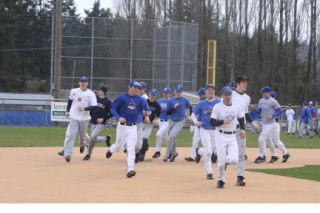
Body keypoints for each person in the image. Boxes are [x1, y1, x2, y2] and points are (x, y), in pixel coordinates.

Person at [105, 81, 149, 178]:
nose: (137, 89)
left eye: (138, 88)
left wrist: (146, 114)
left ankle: (130, 169)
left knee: (131, 148)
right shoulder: (122, 97)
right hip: (122, 126)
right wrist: (118, 117)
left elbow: (146, 109)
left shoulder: (141, 99)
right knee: (119, 147)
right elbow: (113, 109)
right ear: (129, 87)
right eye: (135, 87)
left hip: (133, 126)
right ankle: (111, 149)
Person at [210, 86, 245, 189]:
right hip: (220, 135)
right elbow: (212, 121)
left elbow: (241, 118)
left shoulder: (236, 106)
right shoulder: (217, 107)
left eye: (229, 94)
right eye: (226, 95)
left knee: (234, 159)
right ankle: (221, 180)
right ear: (222, 96)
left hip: (232, 135)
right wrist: (223, 121)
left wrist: (242, 129)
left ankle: (217, 155)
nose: (228, 96)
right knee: (221, 163)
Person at [61, 76, 97, 162]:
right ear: (79, 83)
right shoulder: (74, 91)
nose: (83, 83)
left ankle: (87, 144)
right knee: (70, 134)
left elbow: (94, 107)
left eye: (85, 81)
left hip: (84, 118)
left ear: (87, 83)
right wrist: (67, 111)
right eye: (82, 81)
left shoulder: (91, 93)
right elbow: (69, 101)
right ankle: (67, 154)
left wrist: (84, 109)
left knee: (83, 136)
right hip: (74, 116)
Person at [232, 75, 259, 186]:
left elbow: (246, 113)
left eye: (246, 82)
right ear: (237, 83)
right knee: (225, 154)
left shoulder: (247, 98)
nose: (245, 84)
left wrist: (252, 123)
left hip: (240, 129)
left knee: (242, 154)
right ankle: (221, 178)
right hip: (228, 128)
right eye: (243, 82)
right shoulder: (230, 95)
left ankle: (240, 178)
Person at [254, 86, 290, 164]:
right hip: (264, 123)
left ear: (267, 93)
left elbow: (280, 110)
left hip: (271, 123)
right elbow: (259, 111)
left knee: (261, 139)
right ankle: (281, 154)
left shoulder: (273, 101)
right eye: (262, 93)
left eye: (263, 92)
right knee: (270, 140)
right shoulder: (261, 100)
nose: (262, 94)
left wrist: (273, 115)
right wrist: (255, 109)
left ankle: (261, 156)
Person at [191, 84, 220, 180]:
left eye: (212, 90)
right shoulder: (201, 103)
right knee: (208, 152)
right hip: (204, 129)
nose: (210, 91)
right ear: (205, 92)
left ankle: (199, 151)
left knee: (211, 151)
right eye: (208, 90)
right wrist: (196, 122)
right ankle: (209, 172)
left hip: (215, 130)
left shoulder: (219, 102)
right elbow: (193, 114)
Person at [82, 86, 112, 161]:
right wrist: (89, 115)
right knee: (93, 138)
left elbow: (111, 113)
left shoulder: (107, 101)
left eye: (100, 90)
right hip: (93, 121)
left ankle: (88, 154)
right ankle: (106, 138)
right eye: (99, 90)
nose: (99, 91)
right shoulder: (95, 98)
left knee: (92, 137)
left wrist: (103, 119)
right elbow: (92, 108)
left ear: (104, 92)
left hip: (101, 123)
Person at [164, 85, 193, 162]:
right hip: (171, 120)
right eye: (177, 91)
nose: (178, 93)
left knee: (171, 136)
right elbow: (167, 112)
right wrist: (174, 107)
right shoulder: (171, 100)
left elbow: (191, 107)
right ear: (174, 91)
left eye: (180, 92)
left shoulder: (185, 100)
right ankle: (174, 153)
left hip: (180, 121)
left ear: (182, 92)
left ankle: (167, 154)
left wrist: (190, 116)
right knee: (172, 137)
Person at [137, 89, 161, 162]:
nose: (152, 96)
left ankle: (142, 153)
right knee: (138, 138)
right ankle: (138, 151)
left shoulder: (157, 105)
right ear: (149, 94)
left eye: (154, 95)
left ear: (156, 96)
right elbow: (140, 110)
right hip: (141, 123)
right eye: (151, 94)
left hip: (149, 125)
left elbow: (158, 115)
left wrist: (155, 120)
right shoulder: (144, 101)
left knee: (144, 138)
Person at [185, 87, 206, 162]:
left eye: (201, 94)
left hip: (207, 126)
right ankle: (193, 156)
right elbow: (195, 112)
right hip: (199, 124)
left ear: (205, 94)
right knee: (195, 140)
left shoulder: (208, 102)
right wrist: (192, 118)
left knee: (207, 143)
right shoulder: (201, 101)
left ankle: (210, 154)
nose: (199, 96)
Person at [152, 88, 171, 159]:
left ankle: (158, 151)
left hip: (168, 122)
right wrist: (154, 119)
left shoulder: (171, 101)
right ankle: (171, 151)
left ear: (169, 94)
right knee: (166, 138)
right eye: (164, 93)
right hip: (160, 121)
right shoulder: (159, 101)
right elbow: (155, 110)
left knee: (158, 134)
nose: (165, 94)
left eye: (167, 93)